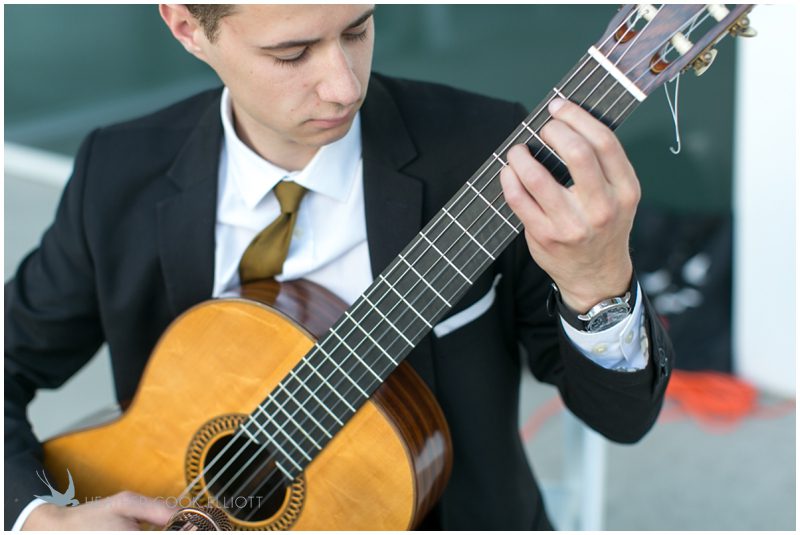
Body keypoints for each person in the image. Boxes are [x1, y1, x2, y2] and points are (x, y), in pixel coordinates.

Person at [5, 4, 673, 530]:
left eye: (358, 29)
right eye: (291, 52)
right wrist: (39, 518)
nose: (343, 83)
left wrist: (597, 278)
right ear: (187, 26)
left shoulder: (481, 155)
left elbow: (622, 419)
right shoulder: (119, 173)